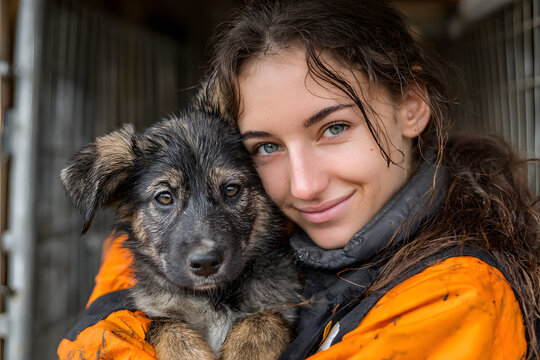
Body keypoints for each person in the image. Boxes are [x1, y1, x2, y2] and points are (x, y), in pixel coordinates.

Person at [57, 0, 540, 359]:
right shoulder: (299, 231)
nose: (304, 186)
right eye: (266, 146)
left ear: (412, 107)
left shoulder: (457, 298)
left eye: (334, 128)